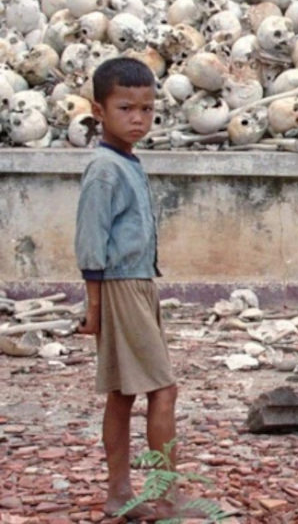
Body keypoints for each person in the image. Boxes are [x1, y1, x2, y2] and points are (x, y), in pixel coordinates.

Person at [74, 57, 189, 520]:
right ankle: (163, 496)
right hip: (120, 287)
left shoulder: (126, 162)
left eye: (146, 109)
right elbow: (89, 242)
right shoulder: (104, 169)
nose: (138, 118)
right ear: (99, 111)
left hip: (139, 284)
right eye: (125, 108)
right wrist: (95, 307)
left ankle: (120, 496)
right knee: (163, 390)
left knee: (122, 394)